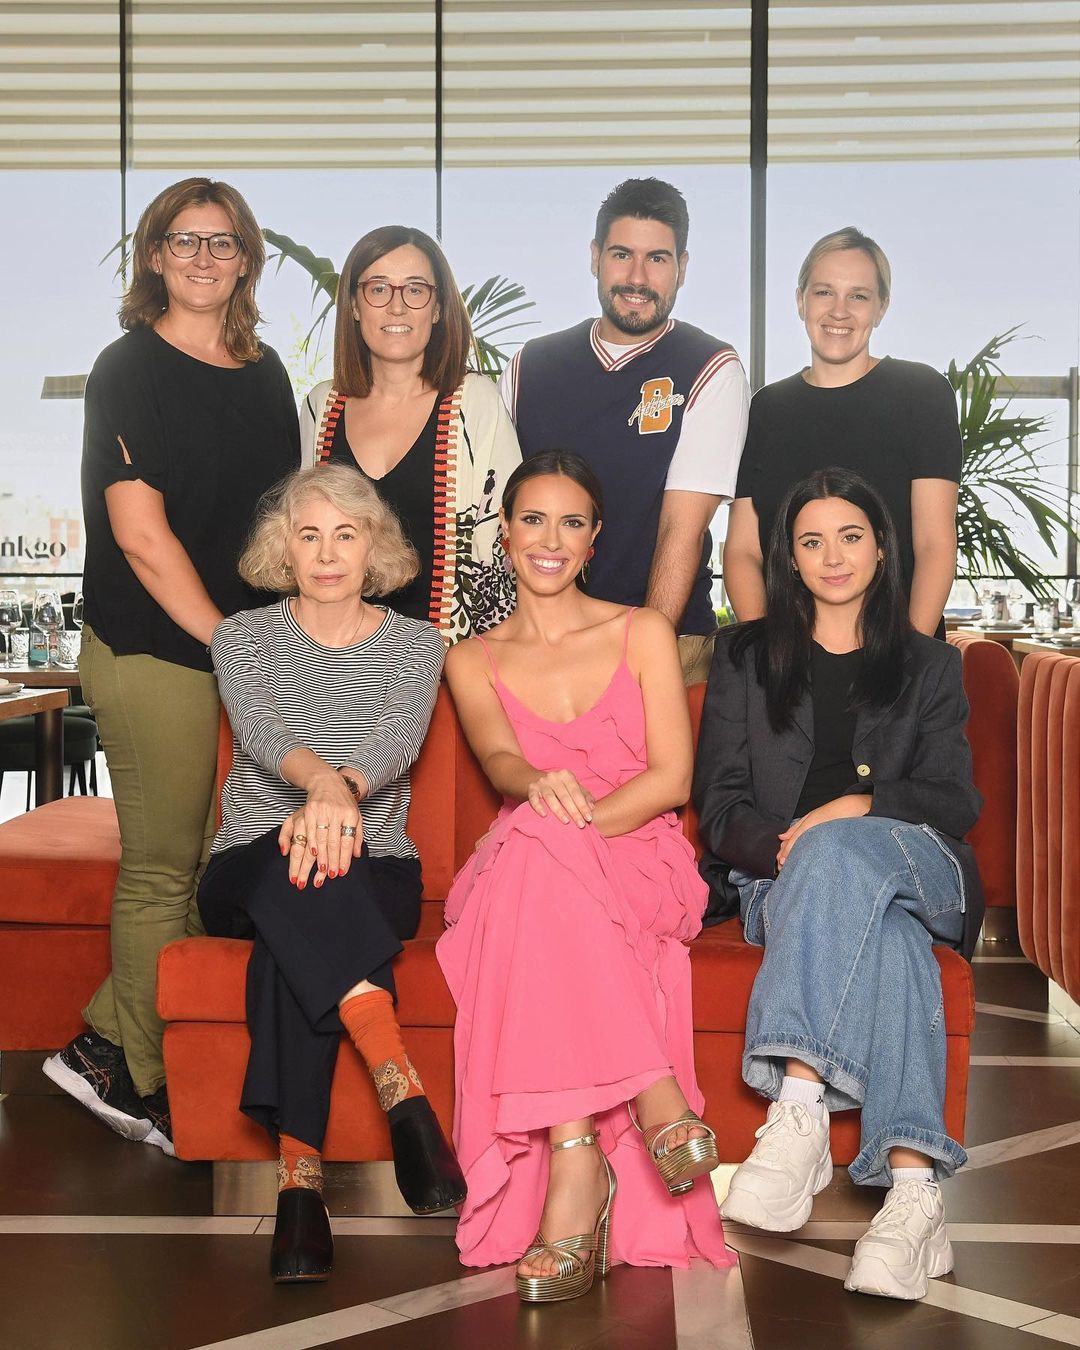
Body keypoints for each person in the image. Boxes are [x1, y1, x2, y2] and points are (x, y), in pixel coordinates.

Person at [437, 451, 734, 1305]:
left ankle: (576, 1179)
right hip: (532, 853)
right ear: (505, 533)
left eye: (571, 523)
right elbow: (500, 759)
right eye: (533, 519)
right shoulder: (472, 658)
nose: (550, 539)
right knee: (538, 862)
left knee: (541, 858)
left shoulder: (643, 632)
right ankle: (655, 1096)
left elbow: (671, 781)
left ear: (595, 540)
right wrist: (537, 790)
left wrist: (568, 830)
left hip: (638, 850)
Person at [45, 178, 300, 1151]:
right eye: (183, 240)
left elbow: (277, 519)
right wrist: (228, 640)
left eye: (222, 241)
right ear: (155, 256)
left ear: (246, 261)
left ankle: (100, 1046)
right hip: (150, 646)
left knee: (204, 860)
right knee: (161, 867)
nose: (203, 257)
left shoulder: (265, 373)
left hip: (235, 650)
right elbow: (141, 536)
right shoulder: (128, 368)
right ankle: (144, 1083)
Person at [694, 467, 984, 1302]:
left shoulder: (929, 663)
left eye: (851, 537)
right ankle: (916, 1196)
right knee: (888, 937)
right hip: (785, 877)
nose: (833, 557)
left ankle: (798, 1108)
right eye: (812, 541)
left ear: (882, 547)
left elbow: (955, 801)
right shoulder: (744, 657)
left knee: (844, 853)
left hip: (918, 864)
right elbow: (720, 806)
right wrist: (797, 845)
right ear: (788, 558)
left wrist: (858, 805)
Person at [198, 464, 465, 1283]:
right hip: (248, 863)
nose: (325, 553)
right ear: (283, 548)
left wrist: (337, 798)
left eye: (345, 535)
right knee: (293, 871)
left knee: (299, 920)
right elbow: (260, 731)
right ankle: (402, 1094)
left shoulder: (417, 645)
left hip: (375, 868)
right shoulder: (240, 638)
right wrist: (318, 788)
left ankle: (298, 1193)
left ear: (373, 547)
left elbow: (397, 740)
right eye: (307, 535)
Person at [499, 179, 749, 683]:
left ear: (681, 267)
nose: (637, 277)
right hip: (541, 646)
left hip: (666, 639)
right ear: (595, 258)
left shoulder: (710, 367)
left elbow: (681, 529)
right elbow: (502, 522)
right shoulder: (531, 365)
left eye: (657, 258)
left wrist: (641, 661)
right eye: (621, 255)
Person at [723, 226, 961, 638]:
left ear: (881, 308)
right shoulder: (768, 408)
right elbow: (744, 550)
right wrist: (766, 650)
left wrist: (910, 660)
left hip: (900, 649)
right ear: (800, 301)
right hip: (787, 657)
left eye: (859, 296)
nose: (839, 311)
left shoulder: (921, 393)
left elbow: (934, 546)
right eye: (824, 292)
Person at [300, 225, 521, 642]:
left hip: (450, 657)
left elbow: (506, 545)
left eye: (415, 290)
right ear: (354, 305)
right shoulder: (320, 405)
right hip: (336, 659)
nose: (397, 307)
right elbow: (303, 542)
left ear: (437, 308)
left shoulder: (475, 402)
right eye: (378, 289)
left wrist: (485, 660)